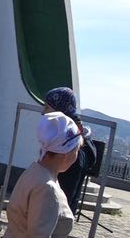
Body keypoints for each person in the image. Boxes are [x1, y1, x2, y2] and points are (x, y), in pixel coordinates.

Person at [41, 86, 96, 214]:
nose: (43, 112)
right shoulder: (68, 141)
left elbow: (61, 198)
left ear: (61, 112)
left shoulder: (70, 150)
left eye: (47, 108)